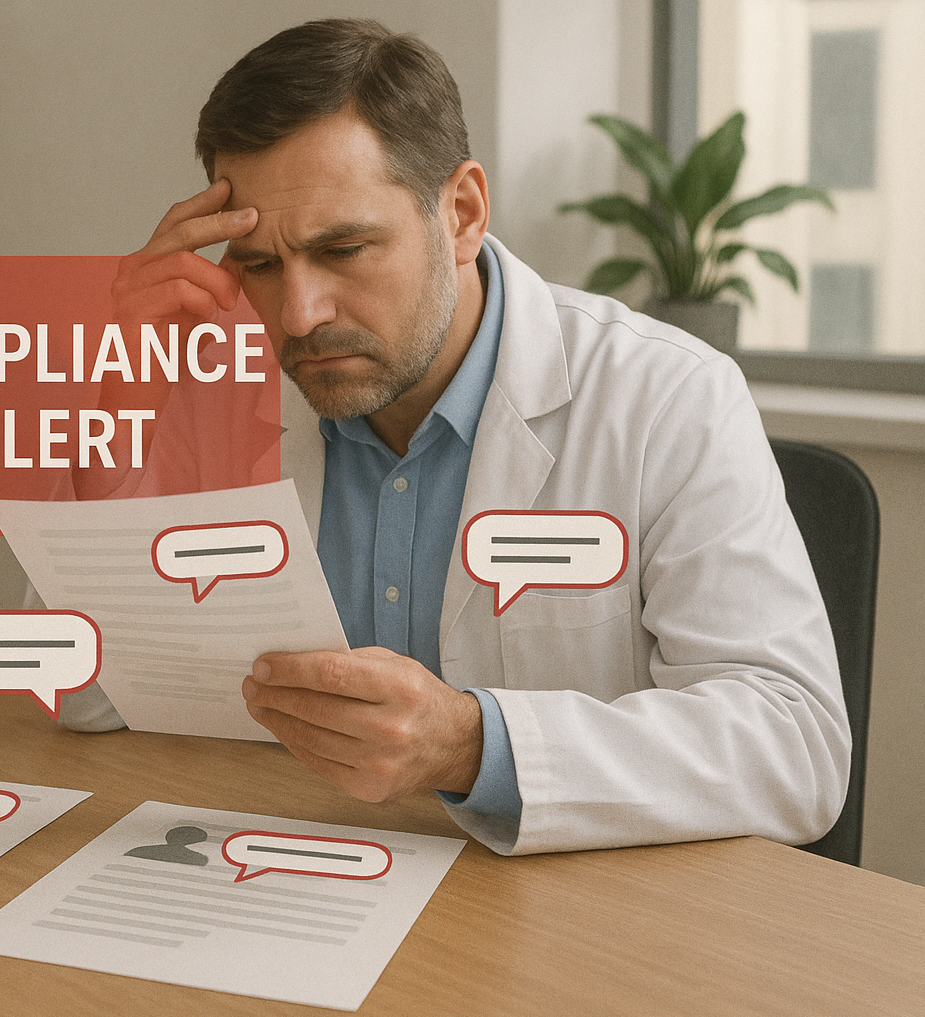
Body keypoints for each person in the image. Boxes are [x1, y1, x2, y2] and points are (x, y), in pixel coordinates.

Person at [56, 18, 849, 856]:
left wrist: (473, 745)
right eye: (258, 264)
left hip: (570, 913)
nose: (299, 315)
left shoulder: (669, 398)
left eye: (344, 248)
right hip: (304, 873)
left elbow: (793, 747)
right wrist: (120, 408)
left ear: (462, 213)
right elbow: (87, 695)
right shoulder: (210, 391)